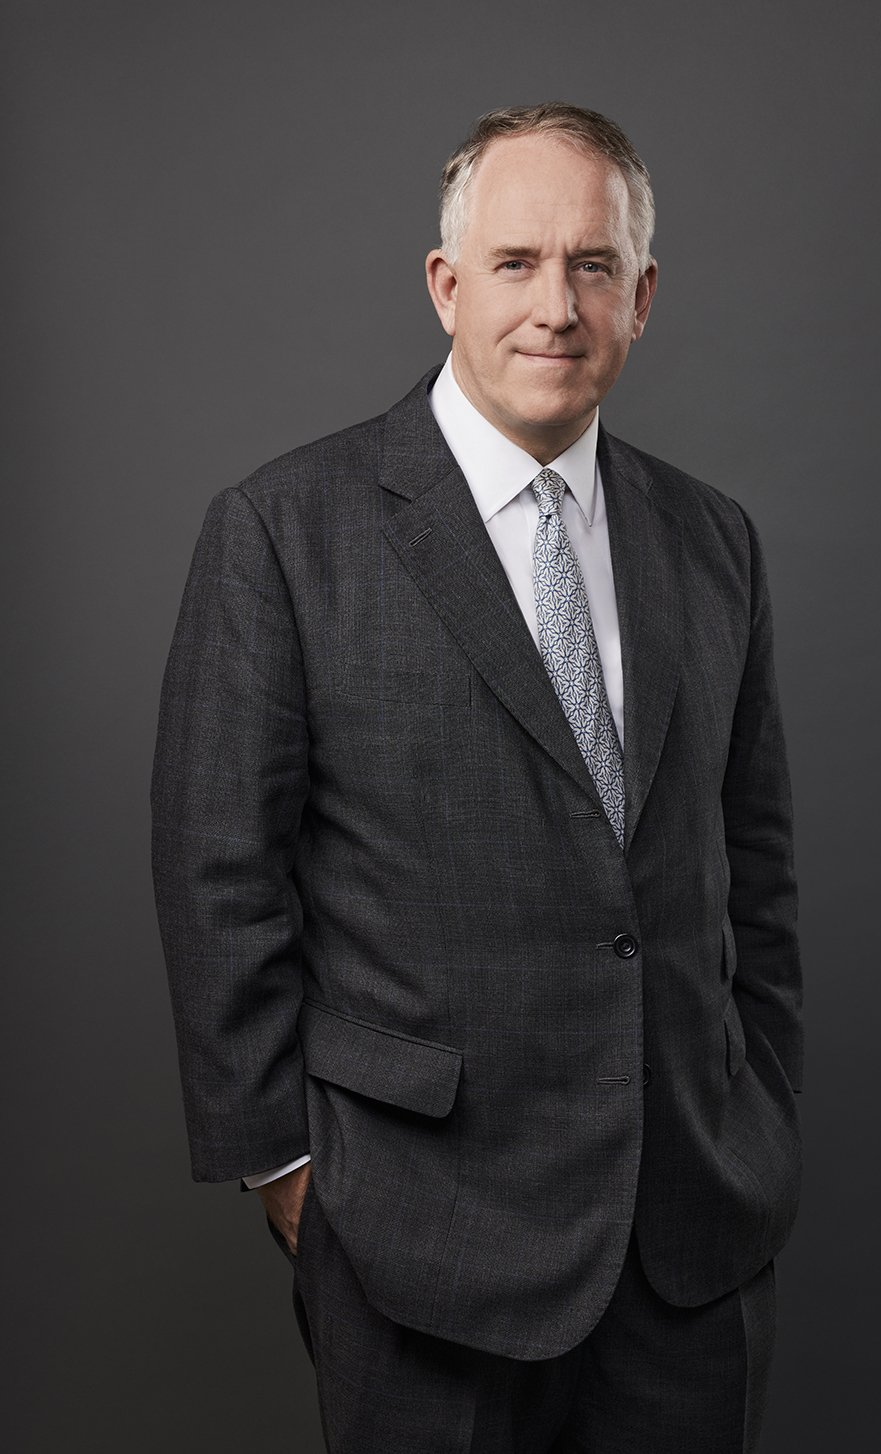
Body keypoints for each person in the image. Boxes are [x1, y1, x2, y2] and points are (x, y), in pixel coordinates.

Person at [152, 102, 802, 1454]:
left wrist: (764, 1118)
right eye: (516, 263)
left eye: (593, 266)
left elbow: (758, 869)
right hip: (416, 1242)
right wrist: (286, 1167)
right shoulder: (285, 532)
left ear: (642, 297)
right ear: (447, 285)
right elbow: (218, 874)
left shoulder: (712, 541)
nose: (555, 307)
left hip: (688, 1238)